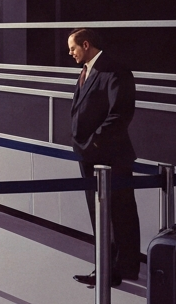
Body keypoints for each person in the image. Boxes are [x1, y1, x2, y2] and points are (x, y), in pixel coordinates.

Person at [67, 28, 140, 288]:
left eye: (73, 48)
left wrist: (93, 141)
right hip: (89, 155)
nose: (70, 52)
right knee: (101, 213)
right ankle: (115, 267)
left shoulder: (115, 71)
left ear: (86, 45)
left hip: (109, 155)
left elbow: (120, 114)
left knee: (118, 214)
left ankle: (116, 270)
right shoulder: (88, 70)